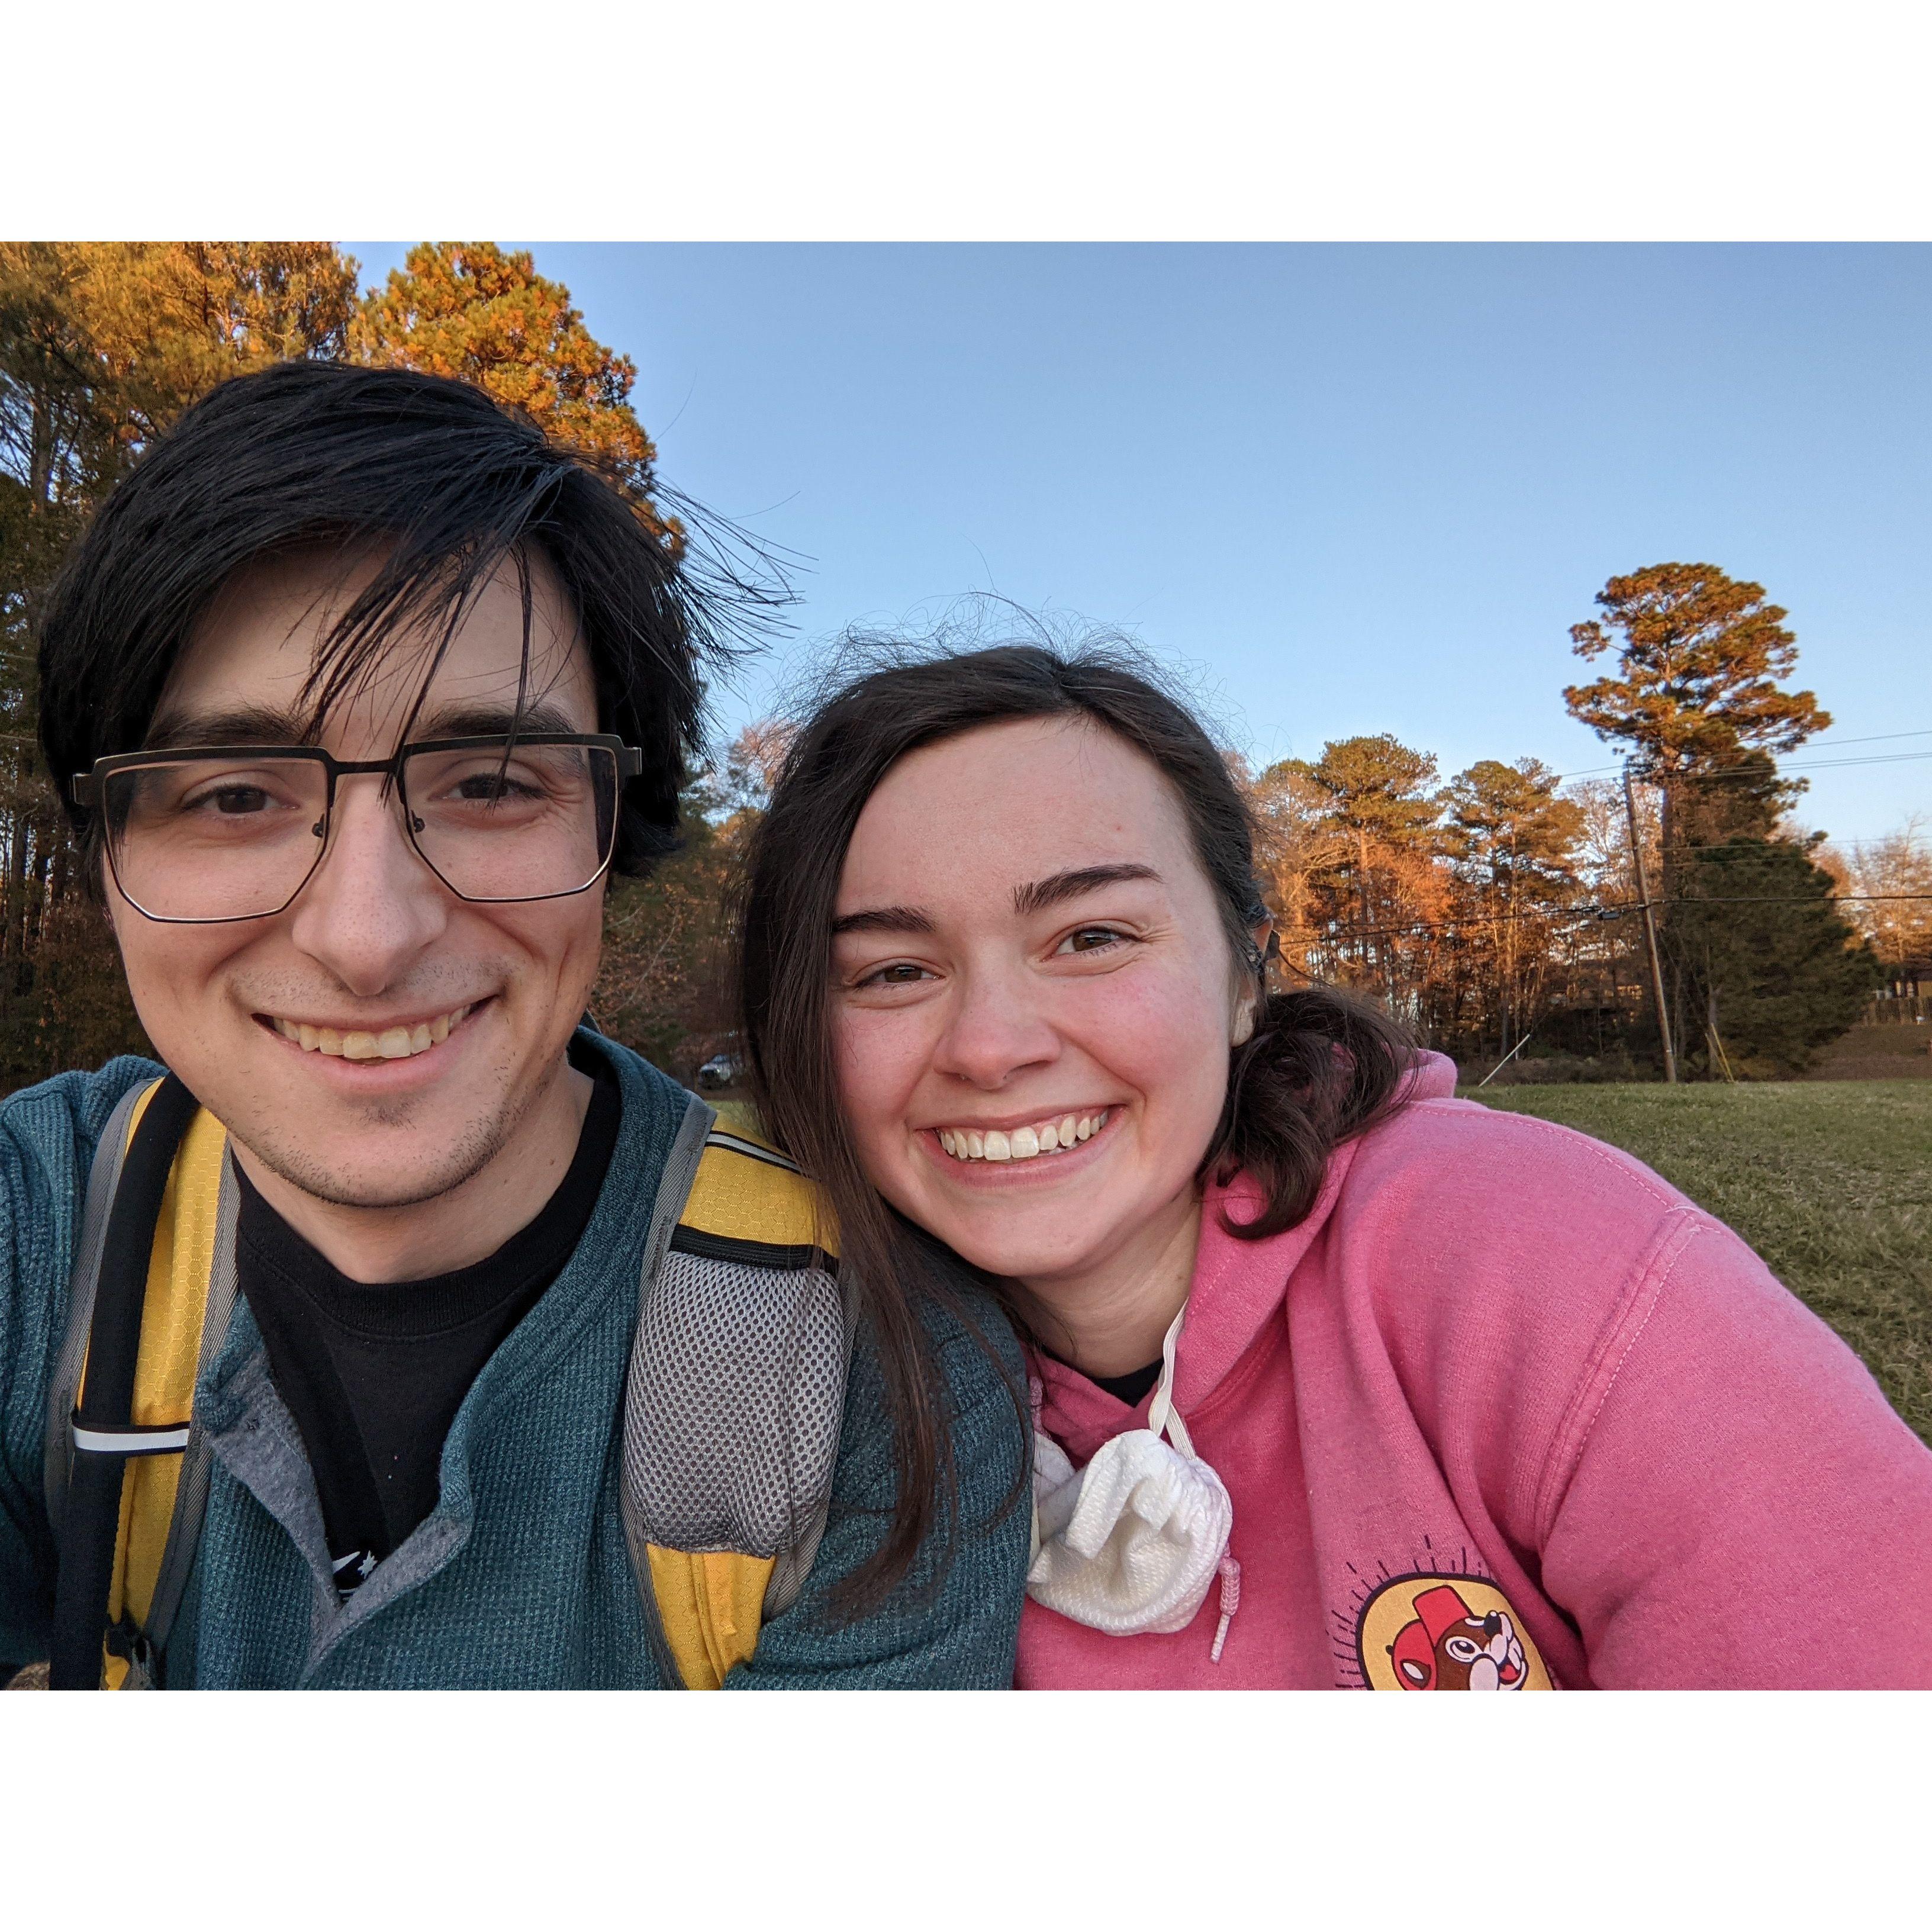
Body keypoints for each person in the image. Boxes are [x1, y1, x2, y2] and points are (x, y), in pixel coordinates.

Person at [0, 362, 1028, 1690]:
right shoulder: (34, 1244)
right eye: (234, 795)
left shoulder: (883, 1381)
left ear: (616, 829)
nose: (365, 938)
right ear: (107, 851)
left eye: (489, 782)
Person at [735, 637, 1932, 1689]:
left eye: (1092, 937)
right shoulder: (786, 1374)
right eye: (893, 970)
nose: (992, 1047)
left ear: (1246, 971)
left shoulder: (1547, 1268)